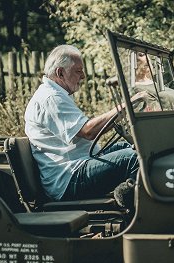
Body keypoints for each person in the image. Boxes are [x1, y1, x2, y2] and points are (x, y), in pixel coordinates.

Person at [24, 44, 138, 207]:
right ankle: (138, 212)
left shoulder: (58, 94)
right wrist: (127, 105)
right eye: (78, 71)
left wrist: (120, 114)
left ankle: (131, 197)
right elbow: (88, 132)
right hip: (69, 179)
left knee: (132, 147)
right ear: (60, 73)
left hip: (80, 164)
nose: (83, 76)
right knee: (133, 157)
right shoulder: (51, 98)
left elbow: (87, 132)